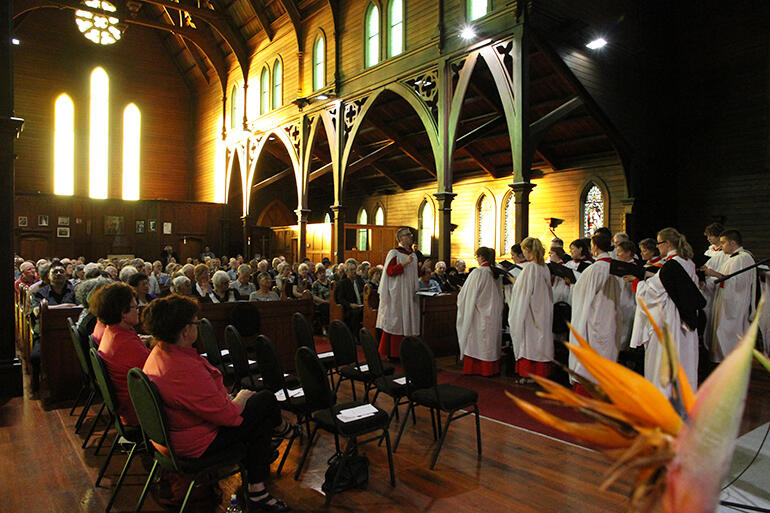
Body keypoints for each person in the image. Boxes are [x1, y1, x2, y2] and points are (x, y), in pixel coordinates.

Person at [141, 295, 296, 512]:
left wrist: (229, 399)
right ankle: (282, 434)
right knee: (264, 401)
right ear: (185, 331)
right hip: (197, 444)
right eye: (195, 322)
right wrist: (241, 397)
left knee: (259, 419)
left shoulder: (160, 352)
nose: (198, 326)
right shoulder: (183, 369)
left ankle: (262, 477)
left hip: (174, 436)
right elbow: (229, 417)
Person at [627, 228, 704, 391]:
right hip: (686, 317)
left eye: (659, 243)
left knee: (664, 359)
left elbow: (651, 293)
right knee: (683, 357)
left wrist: (637, 282)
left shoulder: (671, 265)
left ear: (667, 244)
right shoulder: (688, 262)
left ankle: (665, 397)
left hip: (669, 318)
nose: (657, 247)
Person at [568, 232, 622, 394]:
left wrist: (572, 285)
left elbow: (581, 296)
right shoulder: (616, 268)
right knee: (606, 354)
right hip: (610, 318)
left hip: (594, 319)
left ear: (595, 247)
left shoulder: (594, 269)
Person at [92, 282, 150, 427]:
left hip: (131, 405)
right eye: (135, 307)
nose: (138, 310)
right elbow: (158, 376)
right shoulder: (124, 343)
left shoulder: (114, 332)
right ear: (123, 313)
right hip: (143, 413)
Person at [703, 229, 756, 362]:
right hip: (725, 302)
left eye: (723, 243)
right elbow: (724, 280)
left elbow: (739, 284)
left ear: (732, 243)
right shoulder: (732, 259)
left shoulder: (743, 258)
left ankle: (730, 362)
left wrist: (714, 274)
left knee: (730, 332)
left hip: (734, 304)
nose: (720, 246)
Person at [508, 237, 553, 382]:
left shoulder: (530, 268)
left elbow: (522, 293)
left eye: (523, 250)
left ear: (527, 250)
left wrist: (514, 282)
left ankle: (529, 374)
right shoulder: (543, 266)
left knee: (529, 342)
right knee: (540, 341)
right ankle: (540, 374)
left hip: (530, 311)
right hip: (543, 309)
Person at [457, 247, 504, 376]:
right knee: (489, 342)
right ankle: (491, 369)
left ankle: (477, 368)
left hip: (478, 314)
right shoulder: (495, 273)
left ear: (481, 257)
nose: (476, 259)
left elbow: (468, 296)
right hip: (493, 313)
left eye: (476, 256)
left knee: (477, 342)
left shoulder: (478, 273)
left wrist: (462, 291)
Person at [377, 227, 420, 359]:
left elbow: (413, 274)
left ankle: (408, 350)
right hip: (397, 293)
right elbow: (389, 271)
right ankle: (394, 353)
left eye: (410, 235)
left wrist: (422, 270)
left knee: (408, 320)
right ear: (401, 238)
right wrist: (404, 264)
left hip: (409, 292)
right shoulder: (394, 253)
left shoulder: (412, 255)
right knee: (397, 321)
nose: (411, 237)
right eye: (408, 235)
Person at [335, 259, 365, 336]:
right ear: (346, 271)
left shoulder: (359, 280)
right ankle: (355, 336)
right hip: (349, 308)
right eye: (351, 270)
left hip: (361, 305)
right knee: (355, 314)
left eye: (355, 269)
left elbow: (364, 290)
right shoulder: (343, 283)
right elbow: (340, 298)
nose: (354, 271)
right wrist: (350, 305)